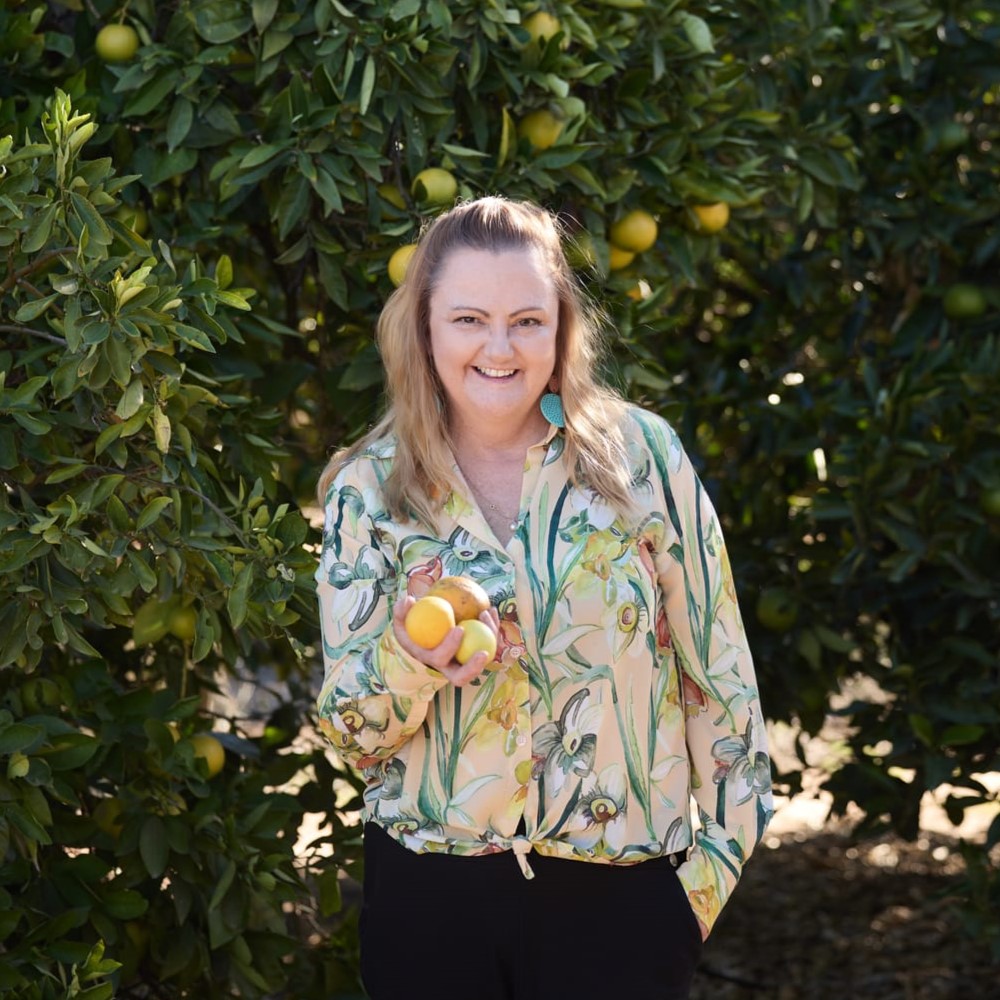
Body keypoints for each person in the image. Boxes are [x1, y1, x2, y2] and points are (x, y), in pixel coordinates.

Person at [314, 196, 772, 1000]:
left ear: (562, 326)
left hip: (621, 905)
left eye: (527, 320)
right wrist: (409, 662)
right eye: (469, 320)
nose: (499, 347)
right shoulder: (370, 490)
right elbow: (351, 736)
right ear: (424, 328)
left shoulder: (643, 461)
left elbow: (721, 683)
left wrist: (692, 898)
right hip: (430, 901)